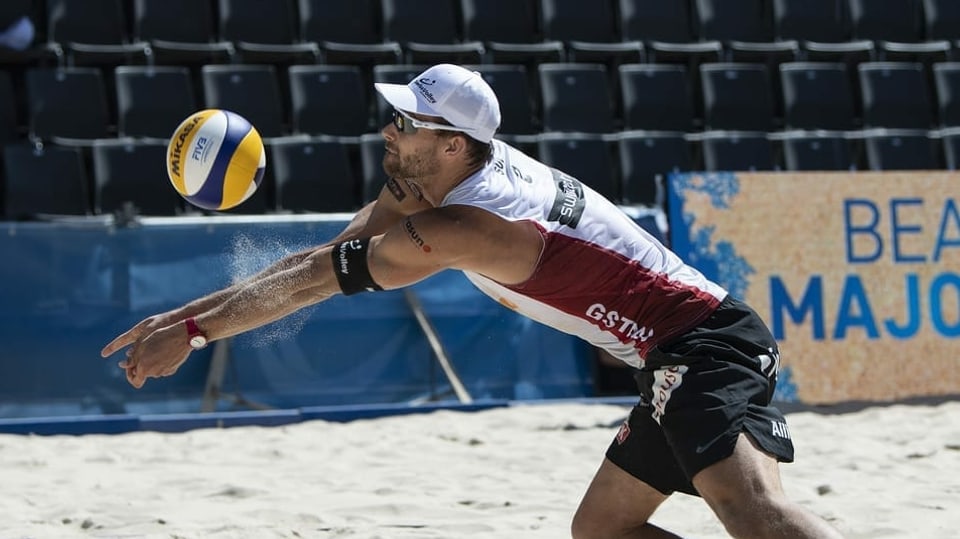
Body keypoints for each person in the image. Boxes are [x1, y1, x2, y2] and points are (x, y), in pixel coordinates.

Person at [101, 64, 843, 539]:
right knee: (602, 532)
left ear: (454, 143)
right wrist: (179, 320)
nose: (389, 130)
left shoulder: (466, 224)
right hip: (670, 350)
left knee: (752, 512)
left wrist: (196, 330)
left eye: (407, 124)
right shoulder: (436, 175)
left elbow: (317, 282)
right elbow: (316, 260)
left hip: (703, 344)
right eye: (395, 116)